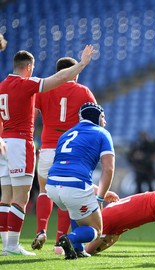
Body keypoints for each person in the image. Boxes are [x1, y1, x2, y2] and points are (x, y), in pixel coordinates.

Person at [0, 45, 94, 256]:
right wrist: (82, 64)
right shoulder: (26, 84)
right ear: (29, 67)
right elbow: (59, 81)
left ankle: (9, 243)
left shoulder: (2, 86)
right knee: (23, 196)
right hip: (29, 144)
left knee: (7, 195)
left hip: (7, 142)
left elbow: (31, 111)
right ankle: (15, 246)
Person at [31, 56, 97, 255]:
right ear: (73, 72)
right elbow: (97, 118)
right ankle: (60, 242)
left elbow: (31, 117)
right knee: (67, 196)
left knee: (44, 191)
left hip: (48, 147)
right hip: (71, 151)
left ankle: (41, 230)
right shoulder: (83, 91)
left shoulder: (45, 90)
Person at [45, 102, 115, 260]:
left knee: (75, 209)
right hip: (74, 187)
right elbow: (109, 169)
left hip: (52, 185)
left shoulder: (66, 134)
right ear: (96, 117)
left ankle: (78, 249)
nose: (105, 122)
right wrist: (100, 197)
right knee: (97, 230)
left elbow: (68, 170)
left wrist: (96, 190)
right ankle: (70, 239)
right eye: (103, 117)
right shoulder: (102, 133)